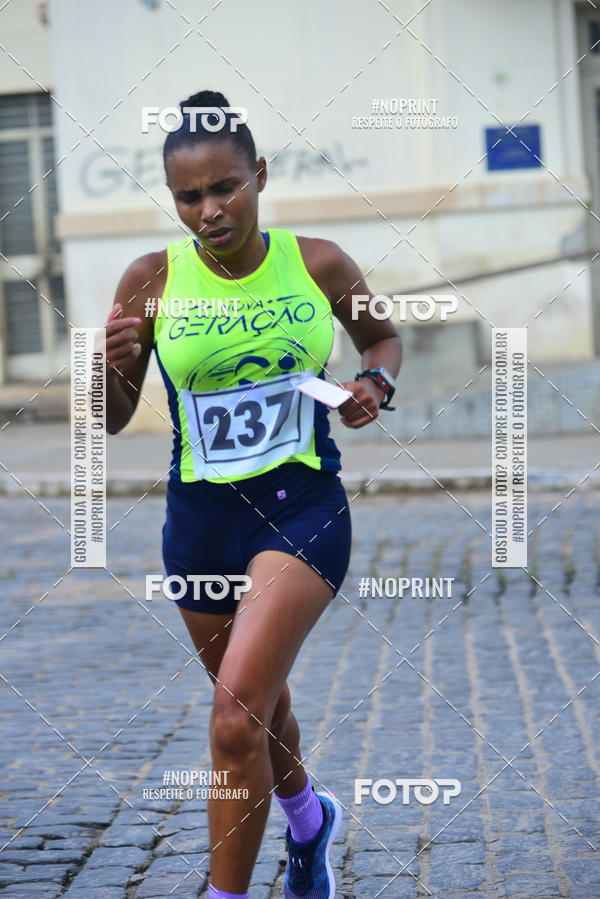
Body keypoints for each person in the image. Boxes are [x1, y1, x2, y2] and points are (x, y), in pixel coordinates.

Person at [104, 90, 401, 899]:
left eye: (225, 187)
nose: (209, 209)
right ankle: (309, 821)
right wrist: (110, 366)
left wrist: (375, 379)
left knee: (235, 720)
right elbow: (111, 418)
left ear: (259, 176)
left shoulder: (316, 263)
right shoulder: (151, 279)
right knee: (262, 706)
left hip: (303, 510)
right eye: (189, 196)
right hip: (199, 526)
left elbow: (382, 333)